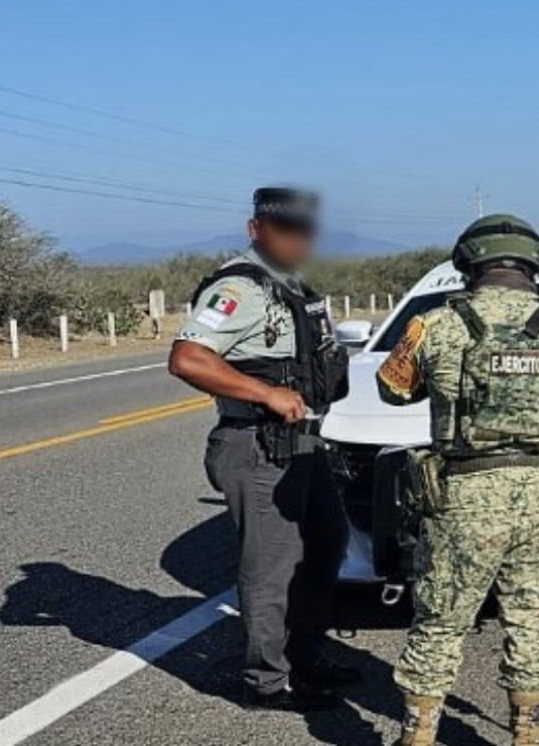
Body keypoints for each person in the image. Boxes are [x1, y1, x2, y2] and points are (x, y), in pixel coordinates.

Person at [376, 214, 539, 746]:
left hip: (462, 496)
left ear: (468, 264)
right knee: (534, 618)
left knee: (440, 619)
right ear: (532, 265)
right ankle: (528, 731)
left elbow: (392, 388)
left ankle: (419, 733)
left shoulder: (434, 324)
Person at [169, 187, 357, 712]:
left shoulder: (290, 286)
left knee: (326, 543)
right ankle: (267, 681)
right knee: (272, 567)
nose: (297, 241)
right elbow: (187, 358)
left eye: (304, 232)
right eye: (284, 231)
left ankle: (306, 656)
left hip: (301, 446)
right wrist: (265, 393)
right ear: (257, 230)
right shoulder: (238, 289)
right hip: (256, 445)